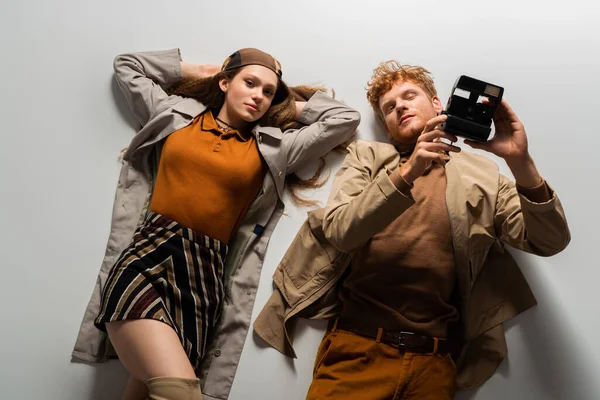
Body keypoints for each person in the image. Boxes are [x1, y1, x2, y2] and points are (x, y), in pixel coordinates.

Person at [71, 47, 360, 400]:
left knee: (148, 391)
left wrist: (286, 106)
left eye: (268, 91)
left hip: (204, 278)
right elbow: (127, 65)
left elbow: (344, 119)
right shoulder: (174, 114)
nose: (258, 95)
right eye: (249, 83)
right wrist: (197, 70)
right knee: (180, 391)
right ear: (225, 82)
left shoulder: (276, 148)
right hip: (147, 258)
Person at [300, 61, 570, 399]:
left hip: (435, 362)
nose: (400, 107)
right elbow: (340, 232)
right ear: (386, 128)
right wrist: (410, 169)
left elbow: (550, 241)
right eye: (389, 108)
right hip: (358, 350)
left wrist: (520, 161)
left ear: (437, 104)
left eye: (409, 96)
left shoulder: (483, 175)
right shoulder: (367, 156)